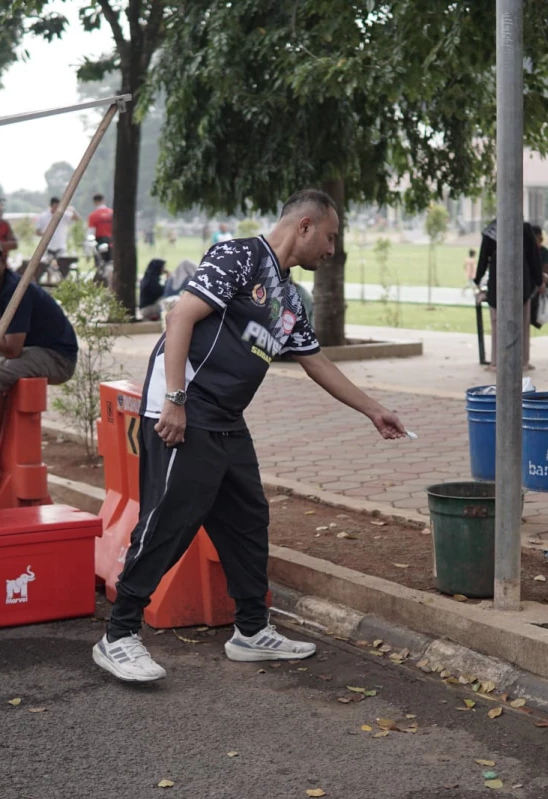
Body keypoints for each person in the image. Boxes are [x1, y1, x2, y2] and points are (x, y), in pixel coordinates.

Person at [92, 189, 407, 683]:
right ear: (304, 226)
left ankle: (251, 630)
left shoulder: (289, 299)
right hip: (186, 405)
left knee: (247, 516)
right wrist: (175, 400)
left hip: (226, 416)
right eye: (329, 237)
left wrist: (374, 410)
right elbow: (180, 317)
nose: (331, 250)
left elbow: (316, 361)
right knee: (170, 518)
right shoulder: (239, 255)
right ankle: (119, 635)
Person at [0, 233, 78, 473]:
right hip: (27, 351)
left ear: (1, 260)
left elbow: (12, 349)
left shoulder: (16, 290)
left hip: (57, 357)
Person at [473, 220, 542, 371]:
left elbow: (484, 257)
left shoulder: (492, 229)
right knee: (522, 322)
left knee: (497, 322)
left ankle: (497, 362)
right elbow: (534, 256)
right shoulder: (523, 228)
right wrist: (538, 280)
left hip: (500, 281)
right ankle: (522, 361)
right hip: (520, 281)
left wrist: (478, 279)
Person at [34, 196, 79, 275]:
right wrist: (46, 234)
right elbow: (37, 231)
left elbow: (76, 218)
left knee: (63, 268)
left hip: (60, 246)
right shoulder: (43, 216)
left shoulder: (64, 215)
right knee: (44, 268)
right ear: (51, 206)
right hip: (48, 247)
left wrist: (71, 209)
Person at [532, 226, 548, 290]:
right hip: (535, 280)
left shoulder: (547, 253)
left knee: (543, 276)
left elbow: (546, 272)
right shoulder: (529, 252)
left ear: (540, 239)